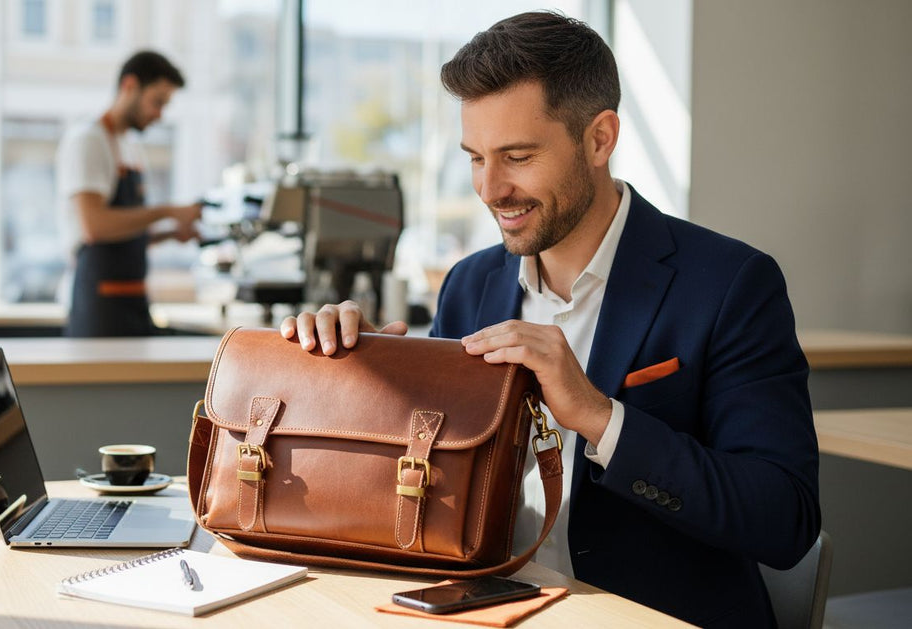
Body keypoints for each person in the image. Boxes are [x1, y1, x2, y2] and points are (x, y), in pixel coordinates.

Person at [281, 11, 820, 628]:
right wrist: (356, 381)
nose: (490, 188)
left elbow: (786, 521)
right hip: (482, 611)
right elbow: (432, 493)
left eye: (517, 156)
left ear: (599, 138)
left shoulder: (730, 285)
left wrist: (596, 416)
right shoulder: (470, 284)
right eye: (476, 158)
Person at [56, 50, 202, 337]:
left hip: (132, 300)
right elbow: (94, 226)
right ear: (130, 86)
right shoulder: (89, 139)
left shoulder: (129, 147)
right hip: (99, 306)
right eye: (157, 102)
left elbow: (125, 234)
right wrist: (168, 211)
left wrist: (171, 234)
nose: (160, 114)